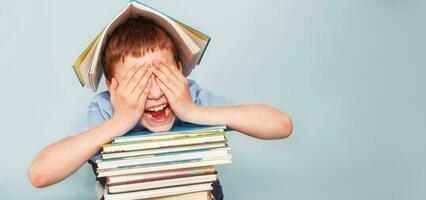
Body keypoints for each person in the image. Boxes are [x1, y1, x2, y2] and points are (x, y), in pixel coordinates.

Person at [29, 16, 293, 200]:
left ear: (180, 72)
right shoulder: (106, 109)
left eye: (164, 76)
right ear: (113, 88)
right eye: (139, 82)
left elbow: (281, 126)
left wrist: (192, 111)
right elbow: (40, 173)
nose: (155, 94)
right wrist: (119, 122)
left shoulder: (192, 97)